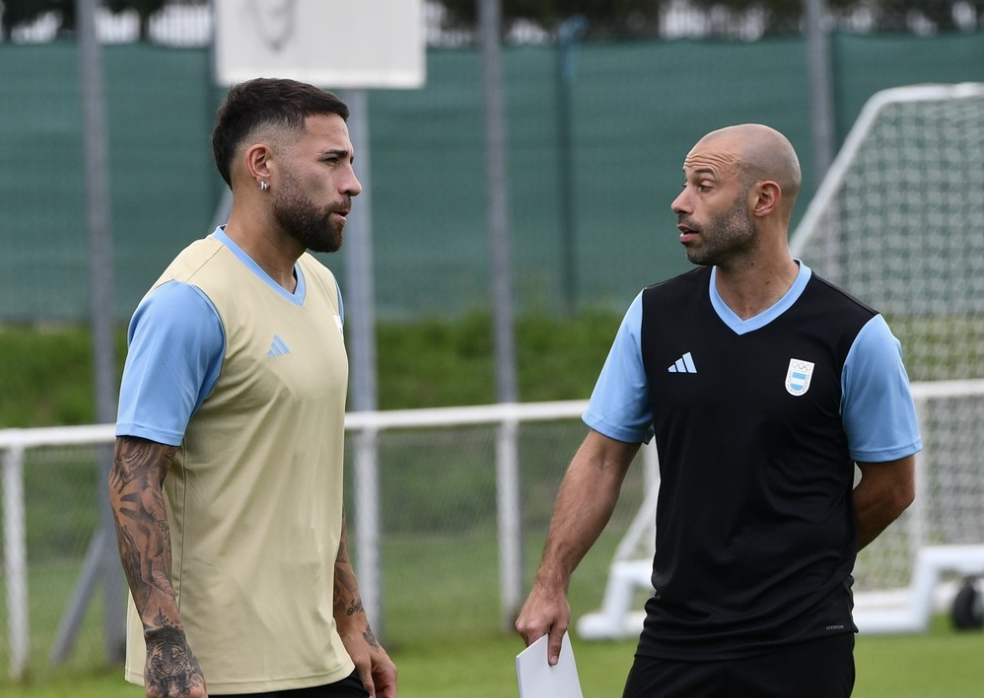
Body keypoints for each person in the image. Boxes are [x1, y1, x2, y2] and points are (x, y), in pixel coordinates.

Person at [515, 124, 921, 698]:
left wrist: (802, 560)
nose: (681, 203)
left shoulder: (854, 335)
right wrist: (550, 582)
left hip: (802, 640)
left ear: (763, 199)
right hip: (677, 636)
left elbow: (893, 486)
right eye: (686, 185)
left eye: (704, 186)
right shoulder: (655, 315)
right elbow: (603, 458)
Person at [109, 77, 397, 698]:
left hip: (321, 656)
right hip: (223, 673)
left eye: (350, 161)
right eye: (332, 161)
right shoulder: (189, 302)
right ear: (261, 165)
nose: (352, 183)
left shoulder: (321, 287)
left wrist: (353, 618)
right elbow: (133, 480)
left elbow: (311, 469)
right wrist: (166, 646)